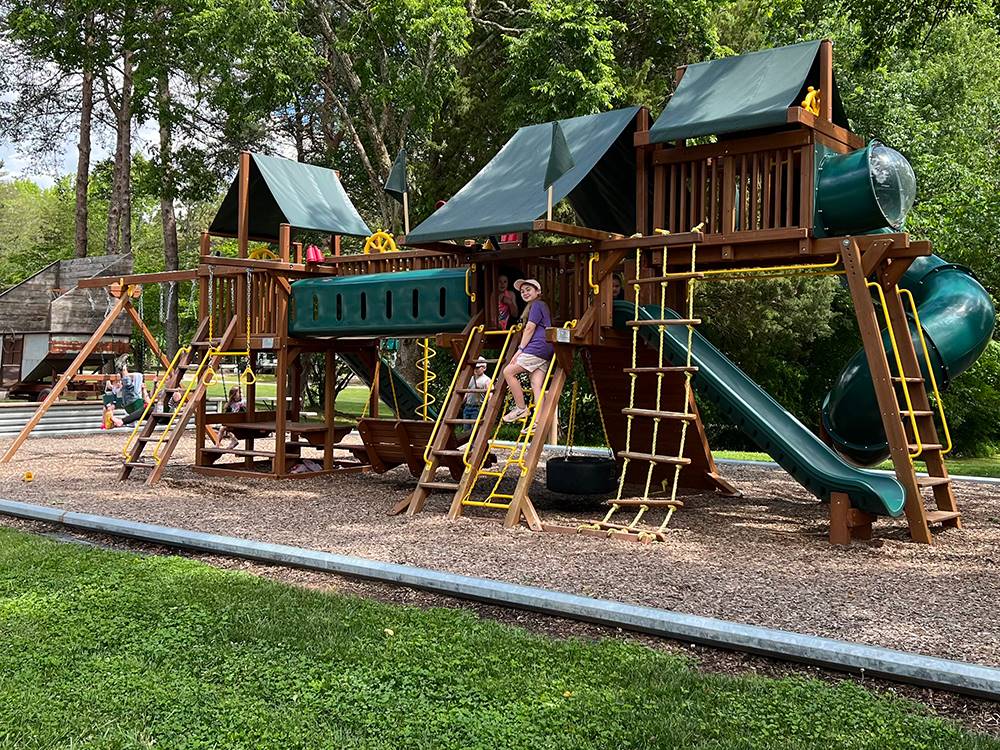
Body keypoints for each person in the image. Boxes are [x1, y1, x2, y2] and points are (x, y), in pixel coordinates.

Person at [501, 278, 552, 424]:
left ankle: (521, 408)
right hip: (547, 348)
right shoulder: (540, 306)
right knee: (536, 383)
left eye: (528, 289)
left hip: (537, 347)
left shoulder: (536, 305)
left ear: (538, 291)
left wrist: (520, 350)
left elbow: (530, 328)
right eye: (522, 291)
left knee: (508, 371)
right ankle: (538, 421)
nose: (525, 293)